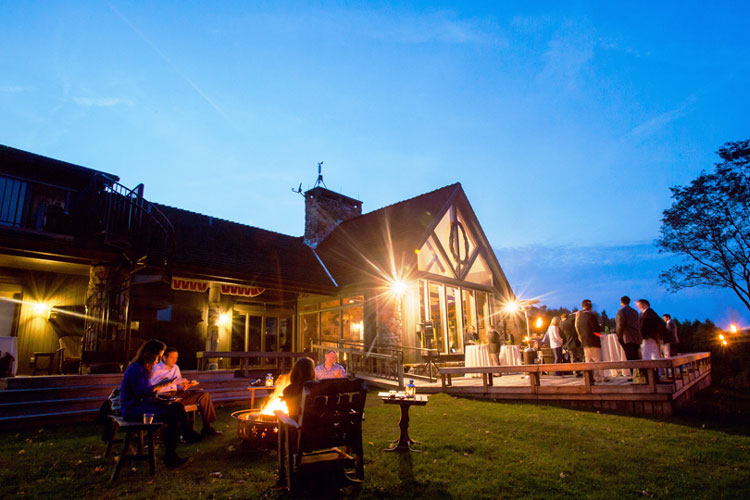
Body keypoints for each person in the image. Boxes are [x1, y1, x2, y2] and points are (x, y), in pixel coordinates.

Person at [119, 339, 201, 467]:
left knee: (176, 407)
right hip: (133, 409)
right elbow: (140, 393)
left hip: (143, 405)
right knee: (174, 412)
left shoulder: (144, 368)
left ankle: (176, 448)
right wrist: (160, 385)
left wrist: (160, 399)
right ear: (150, 354)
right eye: (158, 356)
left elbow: (146, 394)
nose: (159, 359)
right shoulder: (136, 369)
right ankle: (180, 444)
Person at [150, 347, 222, 436]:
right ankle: (184, 432)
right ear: (164, 358)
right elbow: (153, 387)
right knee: (177, 404)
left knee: (204, 395)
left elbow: (178, 384)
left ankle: (207, 427)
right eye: (172, 357)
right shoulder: (156, 369)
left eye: (176, 358)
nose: (175, 360)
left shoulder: (175, 367)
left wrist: (184, 386)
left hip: (177, 393)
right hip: (164, 396)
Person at [575, 299, 608, 382]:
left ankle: (589, 378)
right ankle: (600, 377)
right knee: (597, 360)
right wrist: (600, 327)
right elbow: (596, 329)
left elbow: (577, 328)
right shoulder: (591, 316)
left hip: (585, 341)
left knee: (588, 361)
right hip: (594, 341)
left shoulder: (579, 316)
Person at [616, 296, 642, 361]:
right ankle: (639, 370)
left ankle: (631, 370)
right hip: (636, 337)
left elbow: (620, 325)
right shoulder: (635, 311)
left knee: (629, 357)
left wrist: (619, 336)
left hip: (627, 337)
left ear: (621, 302)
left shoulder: (621, 311)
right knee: (636, 356)